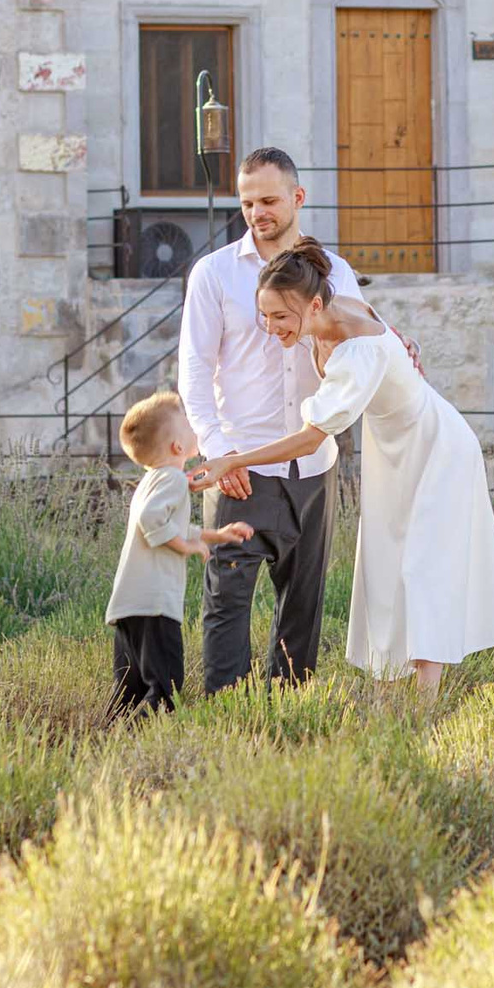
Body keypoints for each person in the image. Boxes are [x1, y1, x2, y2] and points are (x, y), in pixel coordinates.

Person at [195, 240, 494, 696]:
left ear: (314, 304)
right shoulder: (337, 305)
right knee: (383, 564)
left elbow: (310, 438)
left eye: (280, 317)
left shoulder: (354, 351)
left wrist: (233, 458)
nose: (270, 328)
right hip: (393, 452)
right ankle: (388, 687)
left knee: (426, 568)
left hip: (435, 449)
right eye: (263, 316)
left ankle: (426, 704)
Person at [176, 147, 382, 691]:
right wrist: (217, 451)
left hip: (315, 466)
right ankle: (228, 722)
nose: (256, 212)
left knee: (304, 609)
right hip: (241, 466)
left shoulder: (334, 271)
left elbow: (363, 338)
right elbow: (193, 372)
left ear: (297, 198)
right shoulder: (213, 275)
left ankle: (290, 722)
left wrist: (398, 339)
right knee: (226, 605)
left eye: (268, 200)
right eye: (246, 203)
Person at [105, 390, 252, 714]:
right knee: (166, 688)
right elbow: (151, 520)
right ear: (177, 447)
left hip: (131, 605)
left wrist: (218, 535)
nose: (193, 425)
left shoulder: (152, 480)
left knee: (128, 692)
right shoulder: (172, 479)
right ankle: (152, 742)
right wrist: (186, 546)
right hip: (155, 606)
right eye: (187, 422)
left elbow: (170, 523)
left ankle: (110, 743)